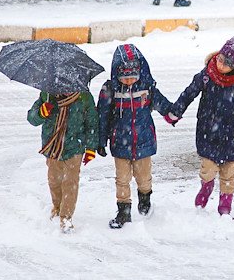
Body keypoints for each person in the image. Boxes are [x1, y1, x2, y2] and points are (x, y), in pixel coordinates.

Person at [164, 29, 234, 216]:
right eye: (221, 59)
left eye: (227, 64)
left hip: (233, 134)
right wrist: (175, 112)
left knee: (229, 174)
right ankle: (206, 188)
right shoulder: (208, 74)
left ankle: (225, 204)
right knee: (207, 169)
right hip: (208, 131)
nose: (221, 65)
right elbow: (189, 93)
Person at [97, 44, 173, 229]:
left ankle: (144, 198)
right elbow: (102, 116)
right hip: (120, 143)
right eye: (125, 77)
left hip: (144, 141)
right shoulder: (110, 90)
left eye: (132, 77)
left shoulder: (147, 88)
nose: (129, 81)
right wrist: (100, 141)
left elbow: (165, 106)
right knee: (122, 179)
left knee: (144, 177)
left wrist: (174, 113)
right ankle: (123, 211)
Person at [27, 91, 99, 233]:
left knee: (70, 183)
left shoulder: (84, 97)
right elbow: (31, 118)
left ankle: (66, 217)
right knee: (54, 180)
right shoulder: (48, 95)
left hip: (75, 147)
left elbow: (92, 122)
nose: (66, 89)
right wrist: (41, 113)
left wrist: (91, 148)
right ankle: (57, 207)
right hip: (53, 145)